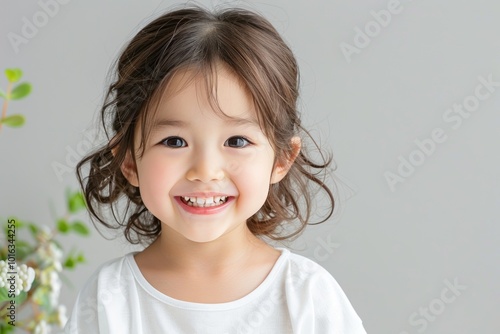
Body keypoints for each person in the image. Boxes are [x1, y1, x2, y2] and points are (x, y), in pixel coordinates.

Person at [66, 5, 367, 333]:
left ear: (281, 158)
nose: (206, 171)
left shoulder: (308, 297)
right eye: (174, 141)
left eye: (237, 141)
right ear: (128, 161)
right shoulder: (109, 298)